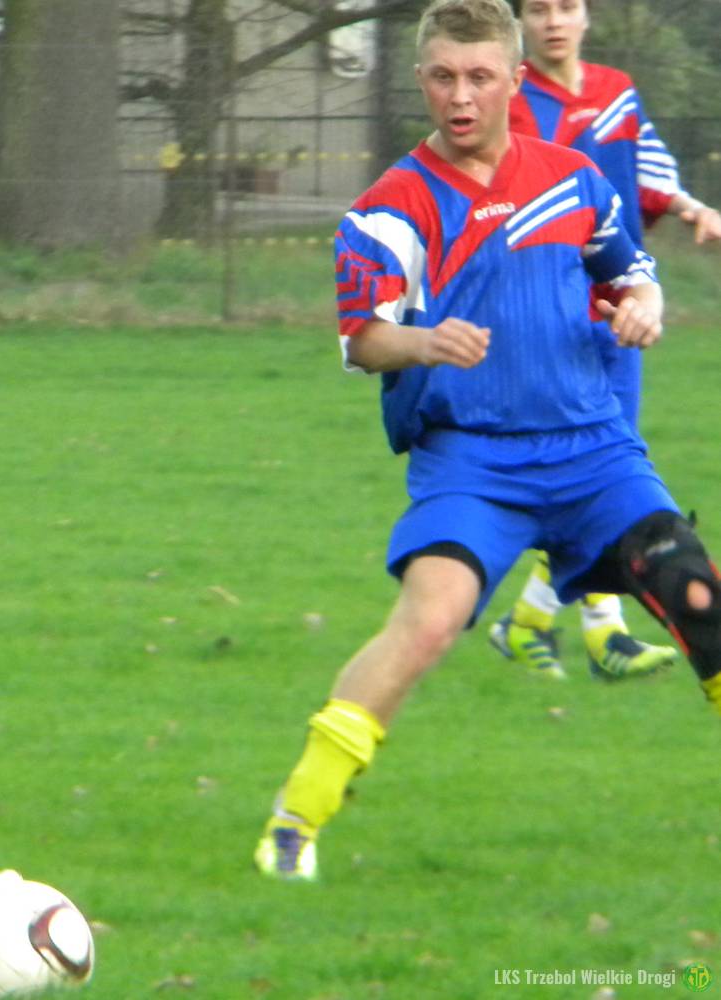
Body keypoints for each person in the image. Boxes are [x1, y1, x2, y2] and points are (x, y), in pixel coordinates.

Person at [251, 0, 721, 882]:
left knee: (696, 594)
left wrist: (644, 308)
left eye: (478, 77)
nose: (460, 96)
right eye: (442, 77)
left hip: (593, 452)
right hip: (474, 461)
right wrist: (424, 341)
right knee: (428, 621)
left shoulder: (574, 177)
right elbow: (364, 340)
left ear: (514, 79)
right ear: (420, 80)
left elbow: (632, 272)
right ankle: (294, 820)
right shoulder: (388, 208)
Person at [485, 0, 721, 679]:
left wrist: (694, 208)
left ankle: (549, 623)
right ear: (522, 23)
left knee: (609, 466)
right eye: (538, 9)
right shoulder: (510, 103)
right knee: (594, 472)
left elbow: (650, 171)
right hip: (548, 320)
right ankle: (594, 630)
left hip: (622, 313)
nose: (554, 21)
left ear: (586, 16)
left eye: (567, 6)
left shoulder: (616, 92)